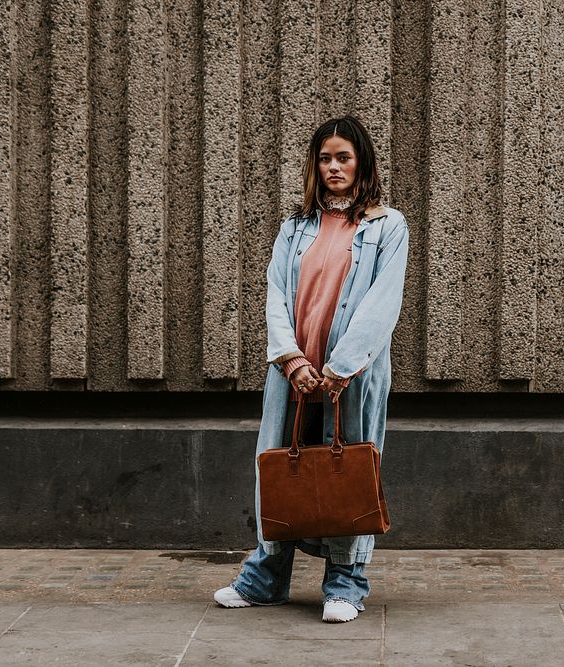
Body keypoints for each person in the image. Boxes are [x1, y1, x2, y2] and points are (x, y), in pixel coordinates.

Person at [213, 115, 410, 622]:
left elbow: (381, 305)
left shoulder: (387, 226)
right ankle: (265, 578)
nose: (334, 167)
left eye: (343, 157)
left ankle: (345, 583)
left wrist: (341, 366)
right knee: (283, 469)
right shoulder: (294, 227)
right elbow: (276, 295)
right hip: (294, 376)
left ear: (361, 161)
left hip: (352, 378)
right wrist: (292, 358)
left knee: (346, 475)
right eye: (325, 158)